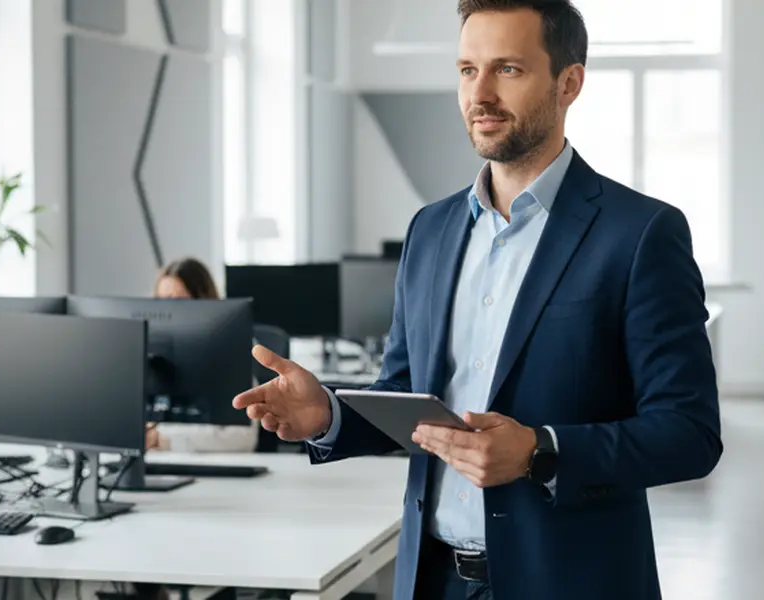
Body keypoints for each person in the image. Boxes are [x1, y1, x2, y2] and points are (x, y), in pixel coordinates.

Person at [233, 1, 723, 598]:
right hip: (433, 579)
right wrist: (328, 415)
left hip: (569, 582)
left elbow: (688, 432)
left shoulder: (640, 233)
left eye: (507, 69)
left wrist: (541, 451)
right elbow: (407, 397)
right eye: (467, 70)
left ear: (568, 83)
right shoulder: (430, 230)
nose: (480, 94)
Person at [146, 257, 260, 453]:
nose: (168, 311)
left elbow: (242, 437)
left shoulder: (231, 351)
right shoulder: (151, 358)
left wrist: (165, 440)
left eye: (179, 301)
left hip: (215, 471)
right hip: (158, 466)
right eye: (162, 301)